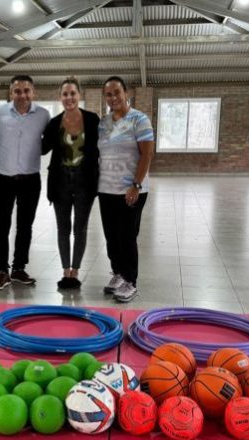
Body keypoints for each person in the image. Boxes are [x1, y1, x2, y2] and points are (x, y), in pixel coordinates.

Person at [0, 75, 50, 291]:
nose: (22, 95)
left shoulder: (43, 115)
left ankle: (19, 268)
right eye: (17, 91)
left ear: (33, 92)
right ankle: (2, 271)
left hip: (30, 180)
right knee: (0, 226)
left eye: (26, 91)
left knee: (25, 226)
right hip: (2, 179)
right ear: (11, 92)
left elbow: (51, 141)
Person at [97, 76, 155, 303]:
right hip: (106, 189)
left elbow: (147, 154)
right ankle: (118, 273)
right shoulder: (103, 123)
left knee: (127, 236)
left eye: (117, 93)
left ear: (125, 93)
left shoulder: (139, 119)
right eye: (108, 94)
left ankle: (130, 281)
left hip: (131, 190)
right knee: (111, 237)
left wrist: (136, 185)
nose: (113, 98)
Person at [42, 77, 100, 290]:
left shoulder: (92, 120)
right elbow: (43, 149)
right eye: (65, 94)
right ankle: (65, 271)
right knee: (63, 227)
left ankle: (75, 271)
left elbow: (102, 147)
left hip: (85, 182)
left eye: (72, 93)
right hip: (60, 182)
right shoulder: (54, 123)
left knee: (80, 228)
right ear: (60, 97)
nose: (69, 97)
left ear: (79, 95)